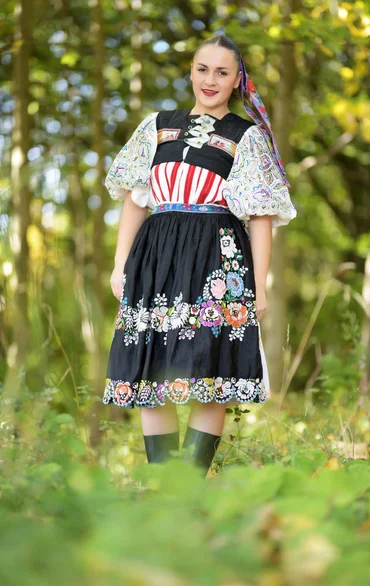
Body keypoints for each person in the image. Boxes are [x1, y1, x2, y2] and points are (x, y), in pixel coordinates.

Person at [102, 34, 297, 475]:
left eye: (222, 72)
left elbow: (261, 217)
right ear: (190, 72)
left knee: (212, 370)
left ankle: (189, 487)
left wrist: (258, 286)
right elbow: (136, 200)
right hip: (156, 255)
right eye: (202, 69)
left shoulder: (246, 136)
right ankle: (162, 486)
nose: (210, 80)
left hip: (219, 256)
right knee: (151, 369)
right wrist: (120, 265)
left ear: (236, 81)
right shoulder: (156, 125)